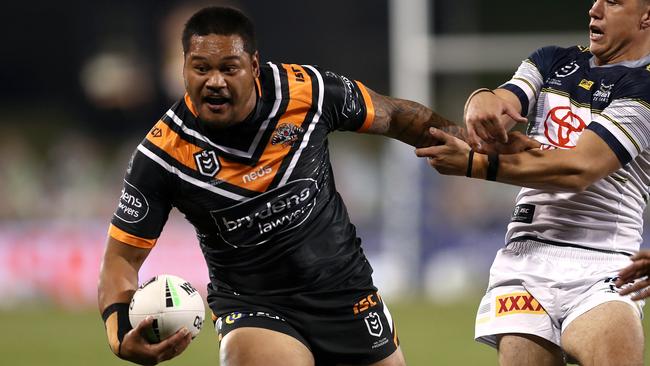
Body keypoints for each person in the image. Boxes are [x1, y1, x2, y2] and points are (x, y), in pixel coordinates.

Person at [97, 6, 534, 366]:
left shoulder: (308, 94)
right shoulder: (161, 156)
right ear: (184, 69)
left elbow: (398, 116)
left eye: (228, 67)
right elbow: (120, 260)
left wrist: (475, 145)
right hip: (254, 305)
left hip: (345, 291)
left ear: (252, 66)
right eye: (200, 68)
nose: (214, 80)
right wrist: (119, 334)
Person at [415, 0, 650, 365]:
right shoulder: (553, 60)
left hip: (604, 263)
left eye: (614, 2)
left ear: (646, 16)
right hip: (526, 259)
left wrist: (478, 165)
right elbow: (505, 100)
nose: (595, 9)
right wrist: (481, 101)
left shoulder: (645, 84)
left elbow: (579, 168)